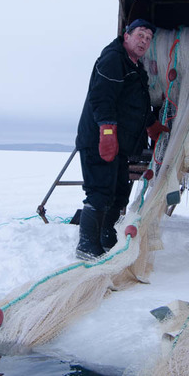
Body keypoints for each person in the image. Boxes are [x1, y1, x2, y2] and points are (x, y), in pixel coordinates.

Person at [74, 19, 164, 260]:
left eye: (148, 38)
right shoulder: (113, 59)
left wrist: (151, 125)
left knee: (119, 192)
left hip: (120, 145)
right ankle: (86, 245)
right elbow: (101, 97)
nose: (144, 40)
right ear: (127, 36)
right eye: (140, 35)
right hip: (99, 141)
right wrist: (106, 131)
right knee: (100, 191)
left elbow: (135, 104)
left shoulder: (135, 67)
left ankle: (105, 236)